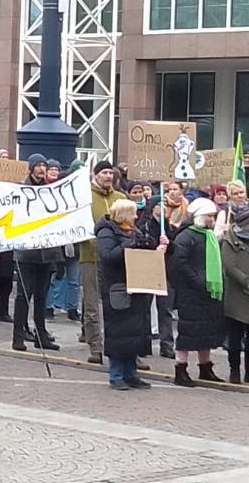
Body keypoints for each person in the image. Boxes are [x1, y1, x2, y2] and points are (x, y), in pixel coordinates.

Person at [96, 200, 165, 390]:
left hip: (136, 285)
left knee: (133, 332)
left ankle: (131, 373)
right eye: (133, 213)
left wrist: (152, 246)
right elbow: (108, 255)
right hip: (117, 287)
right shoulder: (106, 231)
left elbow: (144, 250)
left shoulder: (134, 231)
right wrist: (131, 244)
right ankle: (116, 374)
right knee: (118, 331)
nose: (136, 217)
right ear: (124, 214)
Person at [171, 198, 225, 386]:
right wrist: (197, 281)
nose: (213, 219)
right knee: (188, 331)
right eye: (210, 216)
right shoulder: (185, 237)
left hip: (208, 291)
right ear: (201, 217)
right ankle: (181, 368)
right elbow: (179, 263)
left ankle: (205, 367)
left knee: (207, 331)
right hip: (191, 293)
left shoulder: (208, 235)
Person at [78, 160, 126, 363]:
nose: (108, 176)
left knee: (116, 305)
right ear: (95, 175)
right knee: (91, 305)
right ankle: (95, 347)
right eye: (104, 172)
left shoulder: (121, 198)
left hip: (115, 260)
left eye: (110, 173)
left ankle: (118, 347)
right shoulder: (84, 197)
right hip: (91, 257)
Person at [12, 154, 62, 352]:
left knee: (42, 295)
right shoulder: (21, 189)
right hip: (26, 251)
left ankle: (41, 334)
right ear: (31, 168)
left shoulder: (51, 190)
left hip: (47, 250)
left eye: (44, 165)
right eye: (38, 165)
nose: (42, 169)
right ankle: (18, 336)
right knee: (24, 295)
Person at [137, 195, 176, 359]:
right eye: (160, 204)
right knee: (144, 309)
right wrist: (155, 246)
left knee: (165, 309)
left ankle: (167, 345)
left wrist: (169, 243)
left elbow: (175, 248)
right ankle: (144, 344)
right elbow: (141, 247)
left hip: (166, 270)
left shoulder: (168, 226)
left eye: (165, 204)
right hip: (149, 270)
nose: (164, 207)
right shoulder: (144, 226)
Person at [220, 206, 249, 384]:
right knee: (235, 338)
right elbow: (230, 267)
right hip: (236, 295)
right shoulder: (229, 239)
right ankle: (234, 371)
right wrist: (246, 281)